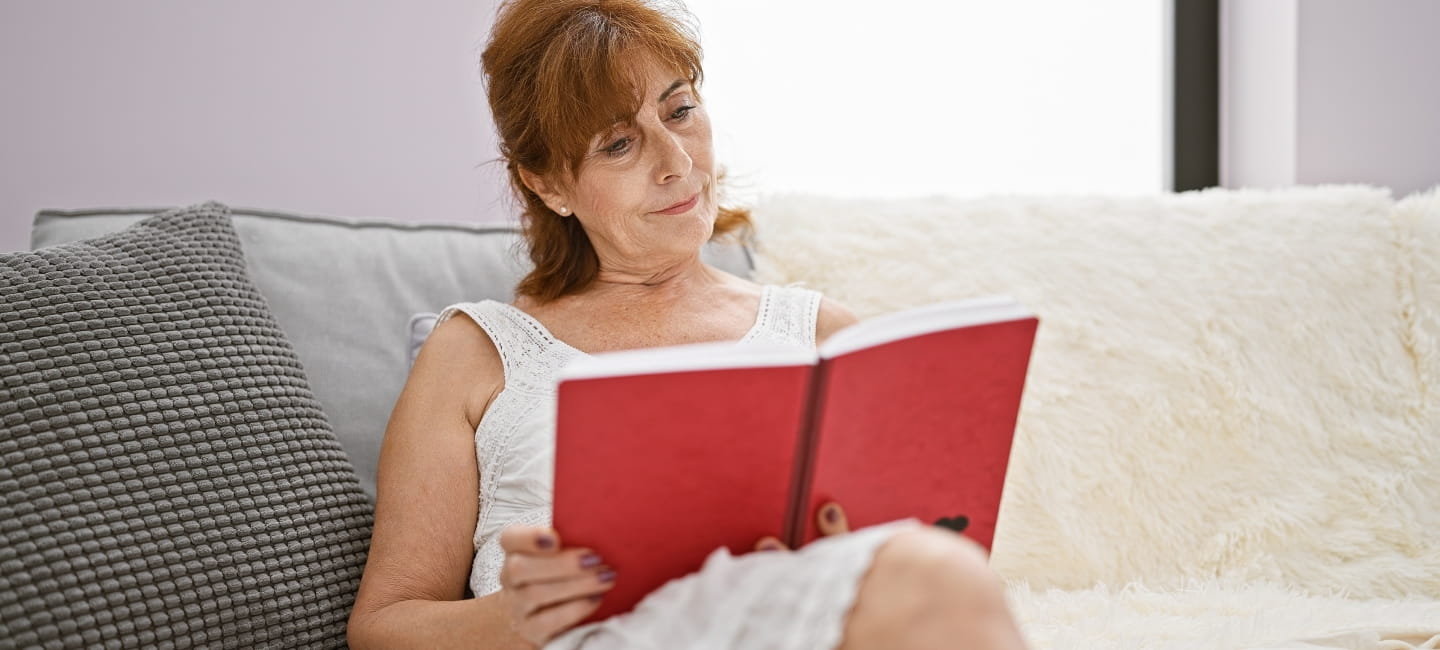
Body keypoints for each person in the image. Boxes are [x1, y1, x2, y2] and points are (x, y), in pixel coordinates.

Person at [346, 0, 1030, 648]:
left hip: (790, 626)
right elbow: (382, 627)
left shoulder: (822, 334)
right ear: (547, 183)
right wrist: (512, 621)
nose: (676, 163)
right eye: (618, 144)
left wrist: (837, 544)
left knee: (936, 574)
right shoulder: (477, 352)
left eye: (680, 111)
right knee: (937, 577)